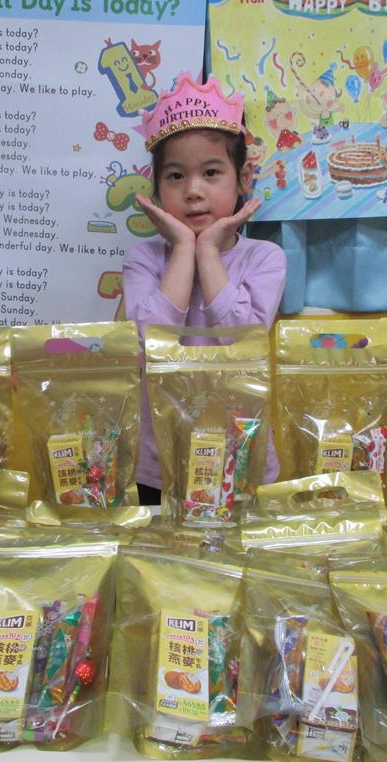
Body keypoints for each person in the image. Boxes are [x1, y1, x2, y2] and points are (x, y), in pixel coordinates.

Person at [123, 71, 287, 505]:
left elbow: (242, 342)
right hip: (159, 461)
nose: (193, 191)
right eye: (176, 176)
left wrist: (210, 252)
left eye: (211, 172)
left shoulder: (265, 258)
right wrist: (183, 248)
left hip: (240, 449)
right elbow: (150, 342)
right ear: (157, 187)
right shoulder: (143, 259)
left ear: (244, 178)